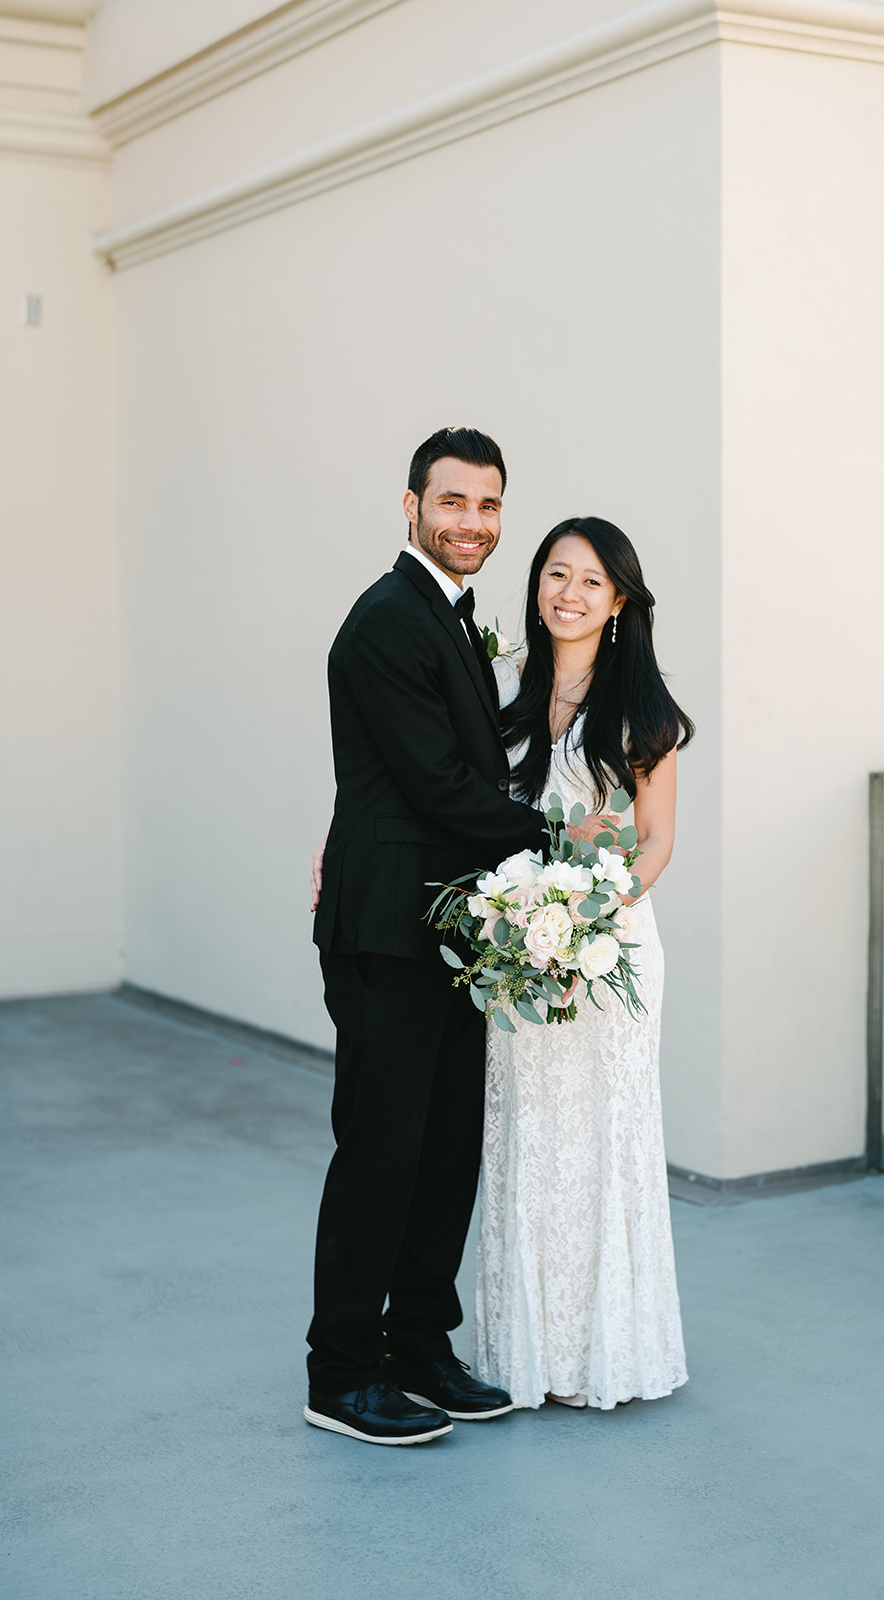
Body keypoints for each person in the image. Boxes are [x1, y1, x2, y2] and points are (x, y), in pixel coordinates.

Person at [305, 427, 556, 1446]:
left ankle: (419, 1348)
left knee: (445, 1148)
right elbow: (437, 785)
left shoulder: (451, 618)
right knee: (380, 1149)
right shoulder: (383, 623)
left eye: (489, 506)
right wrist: (556, 835)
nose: (473, 523)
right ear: (411, 505)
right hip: (386, 930)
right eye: (453, 502)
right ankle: (341, 1374)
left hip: (453, 928)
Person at [474, 516, 694, 1410]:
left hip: (611, 955)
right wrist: (527, 924)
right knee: (529, 1138)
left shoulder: (642, 711)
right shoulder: (504, 698)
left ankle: (610, 1353)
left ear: (620, 603)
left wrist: (594, 918)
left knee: (606, 1141)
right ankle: (526, 1356)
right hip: (521, 950)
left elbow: (655, 843)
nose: (568, 592)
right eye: (554, 574)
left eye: (590, 581)